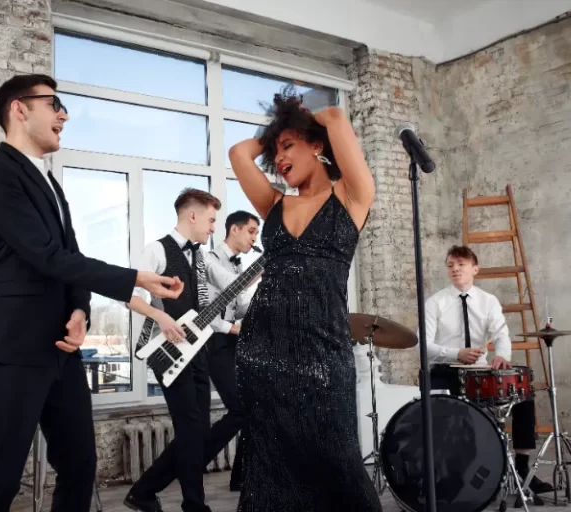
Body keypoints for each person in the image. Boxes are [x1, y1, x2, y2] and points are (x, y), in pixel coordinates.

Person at [0, 74, 183, 512]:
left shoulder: (51, 183)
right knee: (1, 479)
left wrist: (80, 310)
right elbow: (45, 256)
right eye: (54, 103)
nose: (64, 114)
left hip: (62, 349)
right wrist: (135, 278)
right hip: (14, 349)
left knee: (81, 465)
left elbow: (71, 257)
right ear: (19, 110)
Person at [228, 93, 381, 511]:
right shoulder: (276, 204)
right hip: (263, 352)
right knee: (270, 466)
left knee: (339, 462)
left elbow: (334, 116)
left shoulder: (352, 197)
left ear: (316, 145)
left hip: (323, 352)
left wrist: (299, 119)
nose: (278, 159)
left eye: (288, 147)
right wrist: (279, 133)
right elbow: (239, 152)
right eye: (276, 153)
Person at [123, 189, 250, 512]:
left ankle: (144, 491)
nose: (212, 228)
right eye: (210, 220)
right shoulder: (156, 250)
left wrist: (258, 271)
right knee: (192, 428)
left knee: (196, 430)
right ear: (192, 216)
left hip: (198, 352)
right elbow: (129, 294)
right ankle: (193, 505)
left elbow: (229, 283)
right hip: (168, 353)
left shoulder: (201, 257)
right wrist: (161, 316)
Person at [422, 245, 554, 505]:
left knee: (523, 397)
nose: (455, 269)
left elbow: (501, 334)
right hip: (445, 369)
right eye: (450, 264)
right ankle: (448, 473)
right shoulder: (435, 302)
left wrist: (502, 354)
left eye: (461, 264)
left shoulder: (488, 300)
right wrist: (455, 353)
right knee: (441, 409)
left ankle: (522, 468)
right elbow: (423, 345)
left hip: (480, 371)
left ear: (475, 268)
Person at [205, 210, 260, 492]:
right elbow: (205, 314)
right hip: (213, 343)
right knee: (240, 409)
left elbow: (236, 307)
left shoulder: (236, 267)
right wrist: (234, 329)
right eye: (251, 231)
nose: (254, 238)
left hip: (232, 342)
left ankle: (241, 476)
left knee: (251, 406)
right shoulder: (208, 261)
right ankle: (196, 458)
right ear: (235, 230)